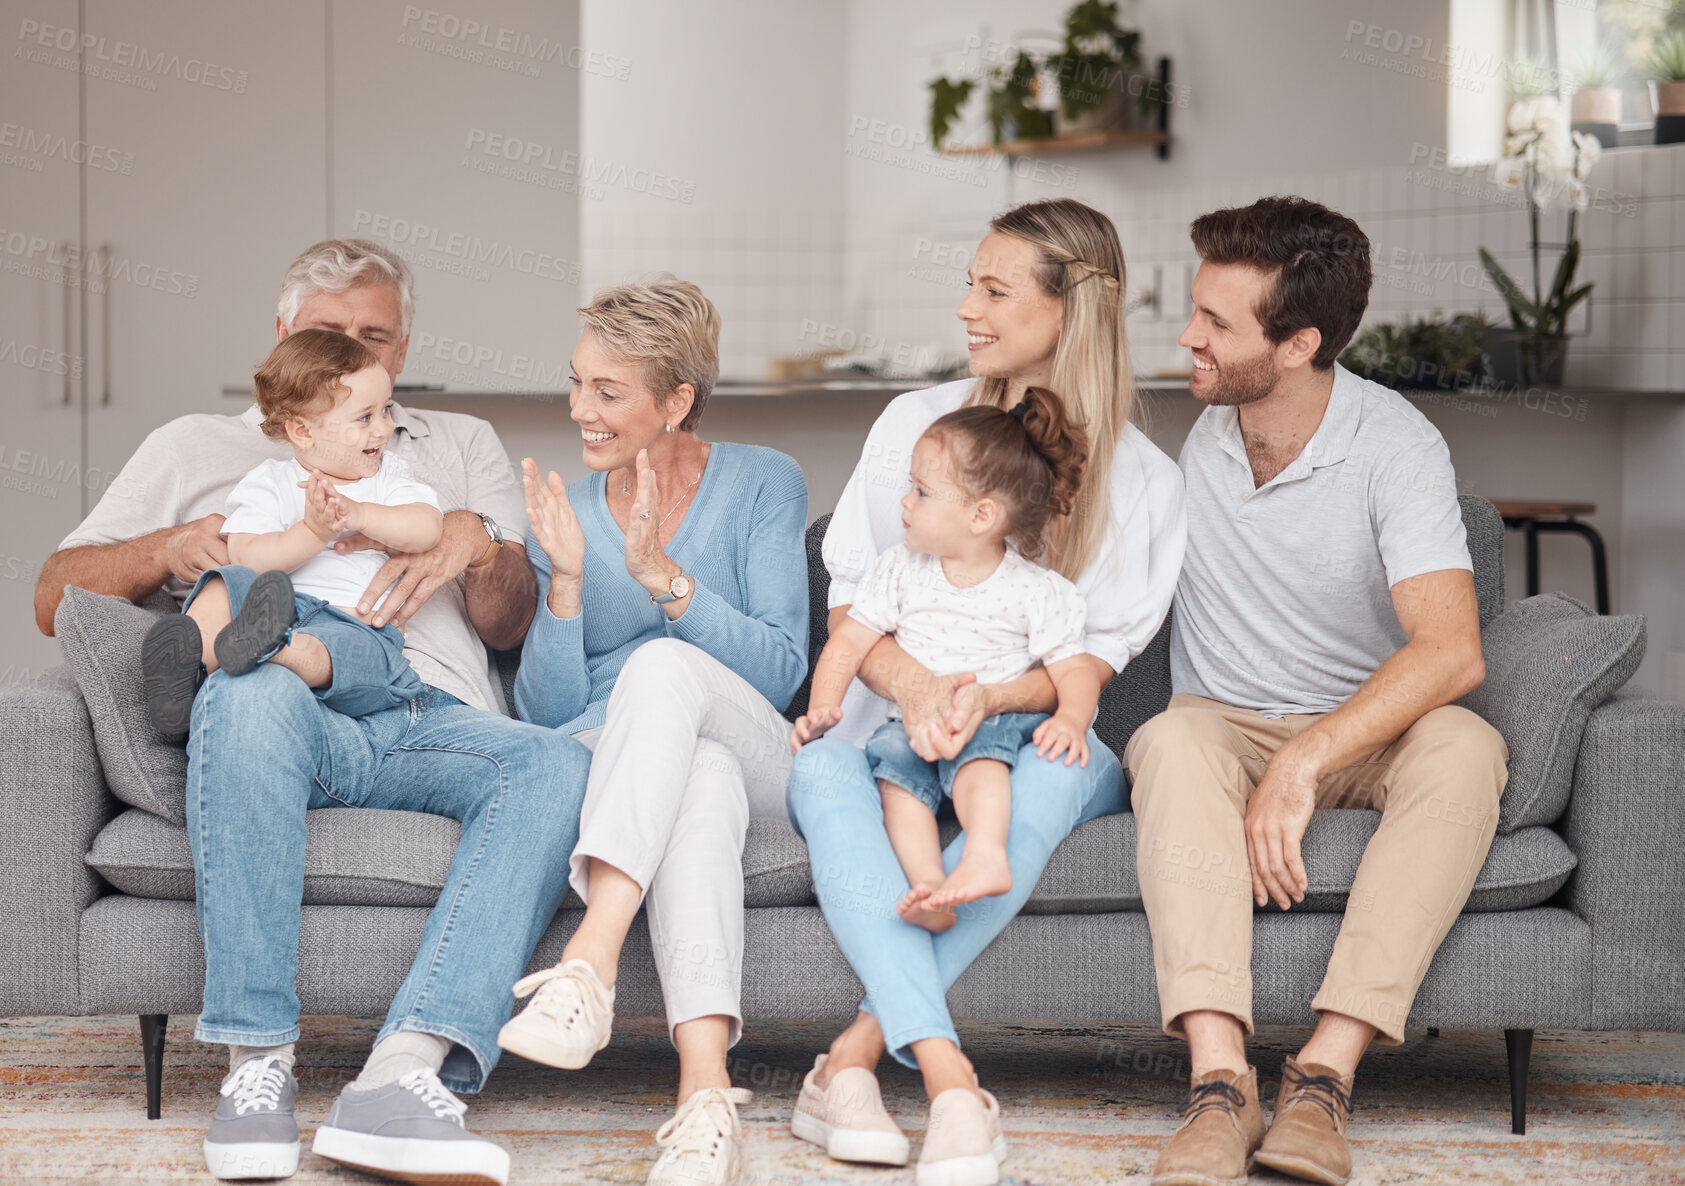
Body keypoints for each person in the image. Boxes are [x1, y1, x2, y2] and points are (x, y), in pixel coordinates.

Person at [34, 238, 567, 1186]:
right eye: (327, 334)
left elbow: (512, 620)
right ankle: (256, 1066)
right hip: (285, 714)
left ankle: (403, 1076)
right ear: (283, 340)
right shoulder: (196, 448)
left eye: (374, 338)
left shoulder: (454, 448)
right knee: (249, 683)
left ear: (399, 355)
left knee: (553, 763)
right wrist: (175, 549)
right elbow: (55, 596)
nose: (351, 353)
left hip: (418, 708)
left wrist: (471, 538)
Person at [785, 198, 1186, 1186]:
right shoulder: (908, 426)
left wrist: (981, 700)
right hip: (887, 733)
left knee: (1055, 768)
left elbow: (1085, 670)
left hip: (1034, 738)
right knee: (823, 771)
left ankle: (848, 1063)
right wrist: (918, 690)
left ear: (1067, 311)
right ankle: (948, 1078)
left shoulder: (1143, 480)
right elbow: (853, 610)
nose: (966, 306)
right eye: (969, 281)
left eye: (993, 289)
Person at [1128, 196, 1507, 1186]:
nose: (1186, 337)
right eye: (1193, 310)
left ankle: (1320, 1083)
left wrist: (1304, 757)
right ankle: (1218, 1087)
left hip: (1359, 732)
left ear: (1296, 344)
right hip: (1221, 724)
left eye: (1215, 322)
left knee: (1465, 746)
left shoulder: (1394, 444)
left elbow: (1451, 650)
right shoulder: (1200, 440)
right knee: (1166, 740)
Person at [495, 277, 808, 1186]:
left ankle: (587, 961)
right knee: (696, 777)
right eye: (577, 382)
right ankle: (705, 1098)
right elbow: (550, 715)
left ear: (676, 402)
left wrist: (666, 581)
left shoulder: (762, 481)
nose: (577, 410)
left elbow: (782, 670)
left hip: (758, 742)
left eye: (607, 391)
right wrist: (566, 580)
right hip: (625, 760)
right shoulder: (569, 511)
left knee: (665, 673)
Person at [791, 388, 1096, 932]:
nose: (904, 502)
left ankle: (986, 854)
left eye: (922, 491)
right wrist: (822, 709)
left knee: (983, 765)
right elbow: (848, 644)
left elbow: (1072, 669)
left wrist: (1072, 720)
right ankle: (930, 885)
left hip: (989, 724)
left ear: (981, 514)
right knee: (895, 784)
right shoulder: (898, 569)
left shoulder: (1035, 590)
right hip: (908, 729)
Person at [140, 329, 443, 737]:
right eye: (365, 417)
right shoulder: (270, 482)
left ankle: (273, 650)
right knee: (228, 580)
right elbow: (248, 556)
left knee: (359, 654)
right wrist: (312, 533)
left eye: (386, 409)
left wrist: (361, 513)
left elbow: (427, 529)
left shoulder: (389, 479)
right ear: (303, 432)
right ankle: (189, 668)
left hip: (356, 624)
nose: (384, 429)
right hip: (280, 609)